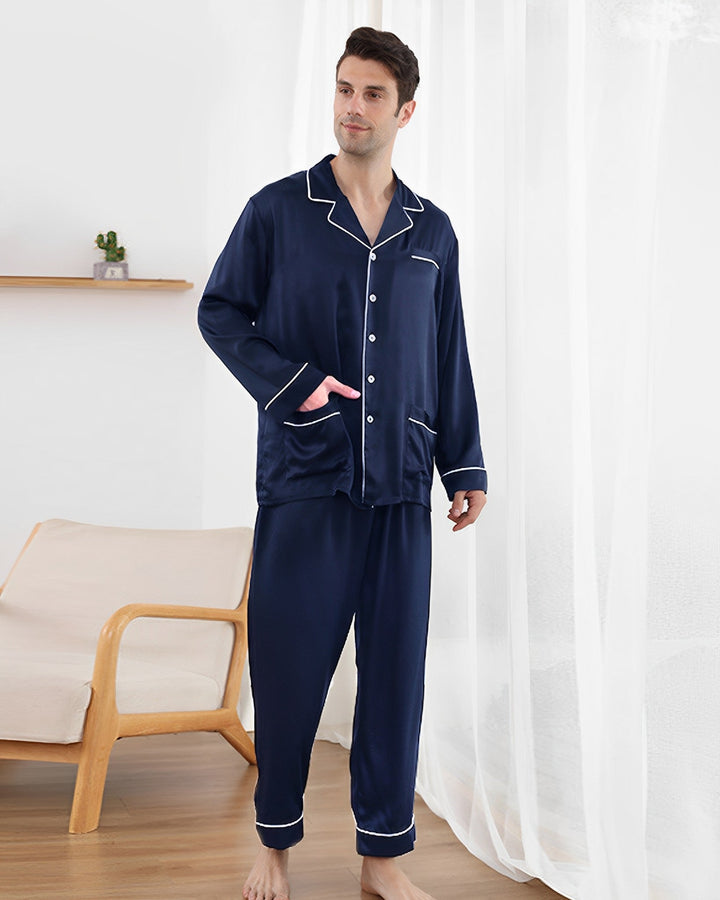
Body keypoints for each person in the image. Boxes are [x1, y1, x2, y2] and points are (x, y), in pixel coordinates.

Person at [198, 26, 488, 900]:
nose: (352, 109)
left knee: (395, 680)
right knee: (289, 675)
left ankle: (383, 860)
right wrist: (295, 388)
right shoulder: (279, 211)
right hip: (306, 482)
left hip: (401, 488)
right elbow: (221, 314)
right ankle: (275, 848)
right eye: (343, 90)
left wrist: (463, 466)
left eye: (370, 95)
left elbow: (448, 353)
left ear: (405, 110)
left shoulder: (431, 231)